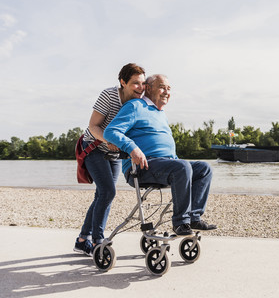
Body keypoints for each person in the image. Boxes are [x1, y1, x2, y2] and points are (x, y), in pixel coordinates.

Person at [104, 74, 216, 236]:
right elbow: (110, 131)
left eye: (169, 89)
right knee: (182, 167)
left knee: (204, 168)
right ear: (148, 88)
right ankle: (180, 222)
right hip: (141, 167)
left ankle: (193, 217)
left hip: (166, 165)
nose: (166, 92)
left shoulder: (160, 113)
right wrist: (132, 148)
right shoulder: (135, 106)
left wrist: (177, 163)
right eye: (162, 87)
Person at [74, 63, 146, 256]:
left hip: (114, 153)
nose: (140, 87)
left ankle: (82, 240)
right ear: (123, 82)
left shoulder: (139, 102)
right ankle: (98, 241)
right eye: (135, 83)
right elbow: (93, 126)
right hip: (94, 147)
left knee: (103, 194)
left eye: (143, 83)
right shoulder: (109, 95)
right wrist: (109, 138)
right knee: (107, 191)